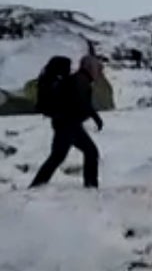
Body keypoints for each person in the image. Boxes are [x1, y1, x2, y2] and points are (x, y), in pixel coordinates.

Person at [29, 53, 104, 189]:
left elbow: (81, 103)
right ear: (90, 68)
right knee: (90, 152)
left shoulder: (77, 79)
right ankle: (91, 187)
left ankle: (36, 185)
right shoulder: (81, 80)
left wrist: (93, 116)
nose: (98, 72)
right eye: (97, 68)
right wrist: (94, 116)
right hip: (69, 124)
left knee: (58, 156)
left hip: (64, 123)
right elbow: (81, 103)